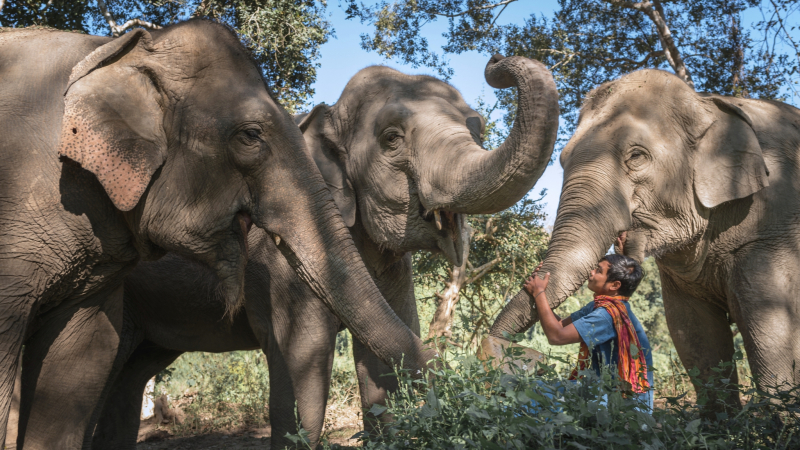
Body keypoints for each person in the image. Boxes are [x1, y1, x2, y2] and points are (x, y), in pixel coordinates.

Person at [523, 252, 654, 410]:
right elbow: (559, 325)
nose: (591, 272)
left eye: (598, 271)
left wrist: (539, 292)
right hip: (603, 390)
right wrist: (539, 292)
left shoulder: (607, 315)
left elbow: (556, 336)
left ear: (614, 285)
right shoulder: (599, 306)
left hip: (622, 404)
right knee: (534, 388)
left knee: (534, 393)